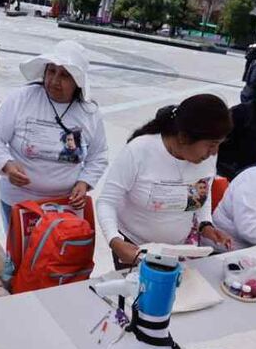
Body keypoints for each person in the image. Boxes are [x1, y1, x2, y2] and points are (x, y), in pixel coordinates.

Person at [96, 94, 235, 269]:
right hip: (135, 248)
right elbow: (106, 202)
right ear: (184, 137)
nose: (214, 152)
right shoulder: (139, 151)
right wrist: (114, 240)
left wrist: (205, 224)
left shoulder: (205, 158)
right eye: (211, 144)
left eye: (218, 144)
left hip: (181, 248)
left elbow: (200, 195)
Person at [0, 40, 108, 228]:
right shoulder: (22, 98)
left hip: (65, 206)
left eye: (64, 75)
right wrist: (6, 165)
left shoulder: (89, 113)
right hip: (19, 202)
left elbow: (99, 155)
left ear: (77, 82)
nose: (55, 80)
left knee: (57, 257)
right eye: (51, 71)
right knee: (20, 257)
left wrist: (84, 182)